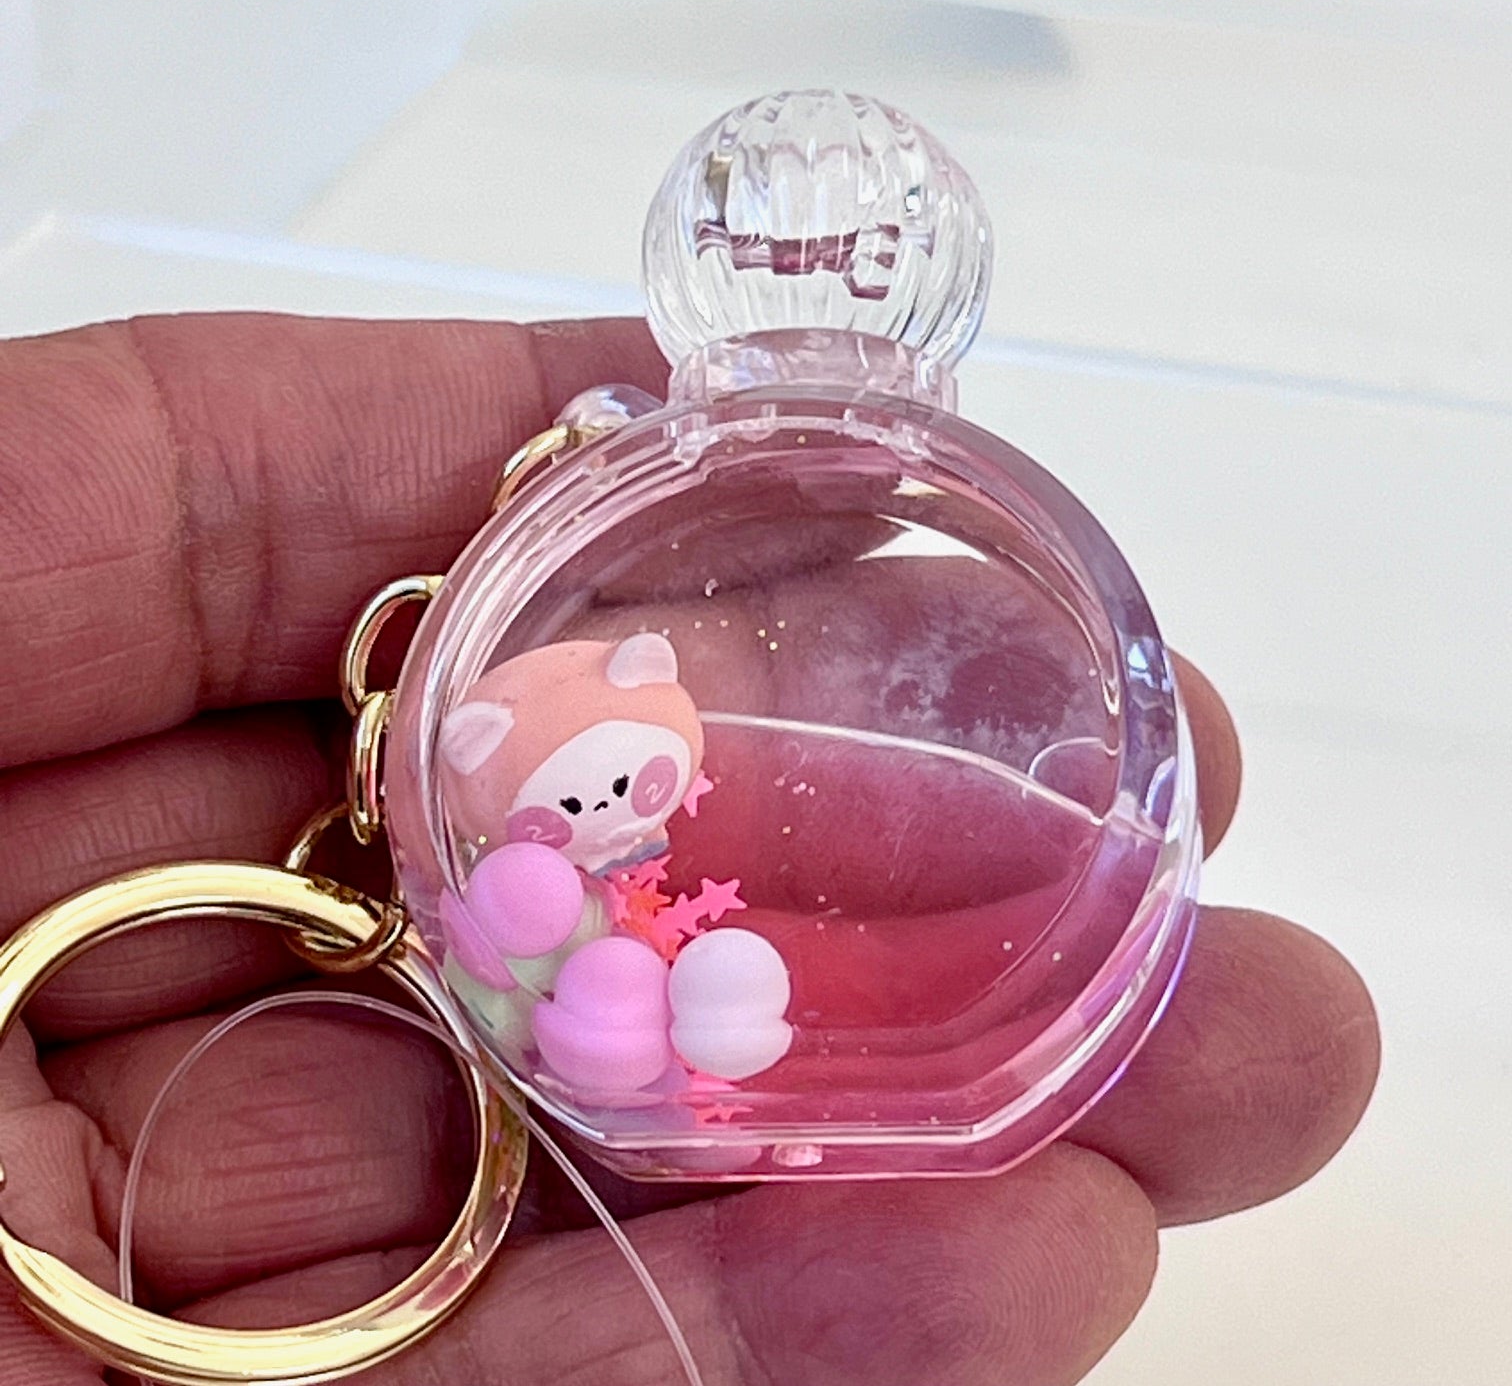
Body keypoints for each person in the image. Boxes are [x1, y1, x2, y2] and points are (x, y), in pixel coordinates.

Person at [0, 313, 1380, 1385]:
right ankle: (653, 1013)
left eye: (628, 784)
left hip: (686, 1006)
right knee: (612, 969)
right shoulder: (510, 815)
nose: (614, 809)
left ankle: (686, 1009)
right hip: (595, 999)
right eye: (583, 794)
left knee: (696, 981)